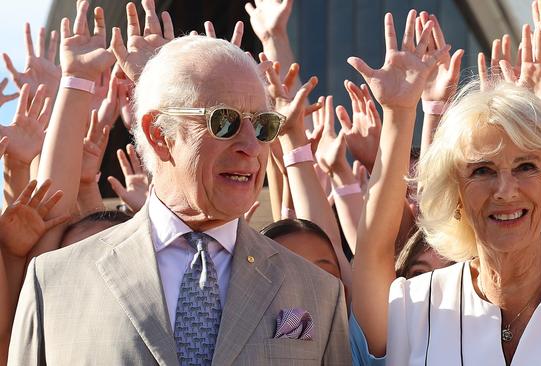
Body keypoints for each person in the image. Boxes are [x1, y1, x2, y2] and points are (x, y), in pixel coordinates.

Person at [8, 1, 350, 365]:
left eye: (264, 125)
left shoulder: (317, 293)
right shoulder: (55, 280)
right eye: (225, 122)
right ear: (159, 134)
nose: (252, 147)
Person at [349, 4, 541, 366]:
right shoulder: (414, 306)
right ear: (454, 191)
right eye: (481, 170)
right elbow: (372, 255)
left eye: (526, 167)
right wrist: (399, 115)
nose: (505, 190)